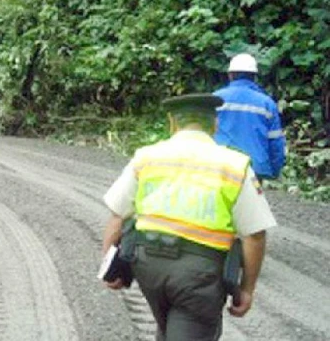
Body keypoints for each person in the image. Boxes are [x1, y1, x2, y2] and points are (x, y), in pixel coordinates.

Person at [101, 93, 277, 340]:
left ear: (172, 123)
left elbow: (118, 216)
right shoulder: (234, 166)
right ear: (215, 126)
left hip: (147, 268)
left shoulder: (146, 157)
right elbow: (255, 235)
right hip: (199, 276)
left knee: (170, 327)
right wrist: (246, 290)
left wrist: (110, 268)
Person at [214, 54, 285, 180]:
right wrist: (274, 170)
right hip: (255, 168)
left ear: (230, 75)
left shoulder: (214, 100)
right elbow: (276, 143)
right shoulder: (267, 104)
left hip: (221, 166)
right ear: (254, 77)